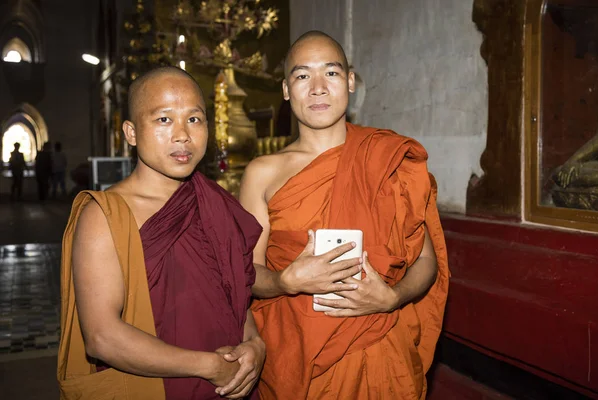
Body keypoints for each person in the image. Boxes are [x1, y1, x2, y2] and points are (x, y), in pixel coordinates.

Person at [239, 31, 450, 399]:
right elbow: (247, 273)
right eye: (302, 76)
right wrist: (285, 282)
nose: (318, 88)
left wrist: (393, 297)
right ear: (286, 90)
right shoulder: (263, 172)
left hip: (379, 342)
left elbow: (426, 262)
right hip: (298, 352)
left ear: (350, 82)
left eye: (331, 73)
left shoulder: (387, 158)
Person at [57, 66, 265, 400]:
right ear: (131, 132)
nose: (182, 134)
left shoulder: (214, 203)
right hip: (156, 386)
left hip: (231, 383)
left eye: (194, 119)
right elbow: (102, 336)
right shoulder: (105, 215)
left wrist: (254, 344)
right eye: (164, 120)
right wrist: (208, 366)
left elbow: (235, 293)